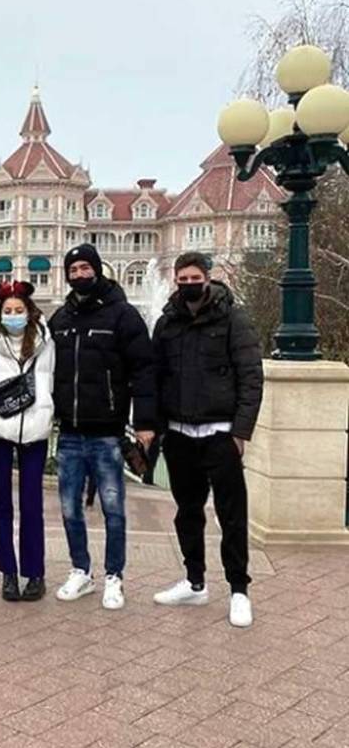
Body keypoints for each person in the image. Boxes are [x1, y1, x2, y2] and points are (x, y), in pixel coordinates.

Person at [152, 252, 263, 628]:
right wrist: (155, 426)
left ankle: (238, 590)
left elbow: (251, 376)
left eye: (194, 278)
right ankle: (195, 580)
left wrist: (241, 431)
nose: (188, 285)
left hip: (220, 433)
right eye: (182, 279)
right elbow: (155, 377)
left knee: (232, 515)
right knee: (188, 511)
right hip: (180, 433)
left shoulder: (234, 318)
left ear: (207, 278)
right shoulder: (167, 323)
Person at [49, 244, 156, 611]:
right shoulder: (60, 319)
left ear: (97, 269)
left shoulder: (123, 315)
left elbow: (144, 370)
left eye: (84, 267)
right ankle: (81, 570)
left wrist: (144, 422)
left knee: (113, 508)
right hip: (69, 432)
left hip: (107, 432)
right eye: (73, 269)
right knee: (69, 508)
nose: (79, 274)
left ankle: (115, 576)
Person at [0, 280, 55, 602]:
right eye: (7, 311)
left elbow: (55, 381)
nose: (13, 316)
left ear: (29, 312)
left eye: (18, 310)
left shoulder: (47, 345)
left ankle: (35, 573)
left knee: (32, 505)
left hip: (35, 431)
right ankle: (8, 571)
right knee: (0, 504)